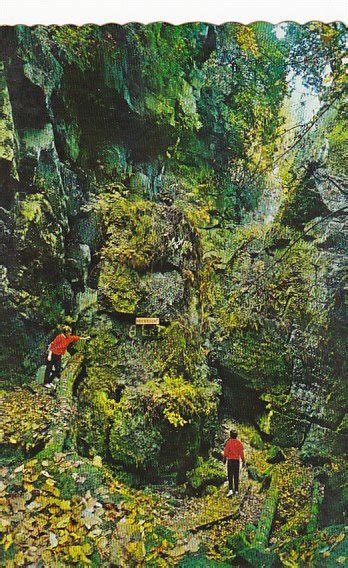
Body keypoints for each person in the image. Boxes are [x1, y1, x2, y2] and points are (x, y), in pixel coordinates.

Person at [222, 430, 245, 497]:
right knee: (236, 475)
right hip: (237, 461)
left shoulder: (228, 443)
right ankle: (237, 491)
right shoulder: (239, 443)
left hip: (230, 461)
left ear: (230, 435)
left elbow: (225, 453)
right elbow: (242, 454)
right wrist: (243, 462)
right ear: (236, 435)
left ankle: (230, 490)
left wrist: (224, 460)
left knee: (230, 475)